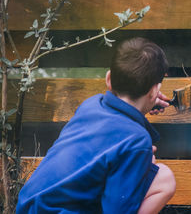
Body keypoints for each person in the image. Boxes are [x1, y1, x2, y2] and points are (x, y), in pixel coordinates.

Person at [16, 37, 176, 214]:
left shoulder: (91, 105)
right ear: (154, 91)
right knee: (164, 178)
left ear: (108, 78)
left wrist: (145, 105)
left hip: (29, 207)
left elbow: (113, 137)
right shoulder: (137, 141)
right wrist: (143, 164)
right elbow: (118, 211)